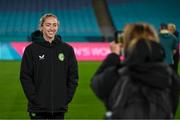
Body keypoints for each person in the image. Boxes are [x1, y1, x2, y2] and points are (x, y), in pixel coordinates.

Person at [91, 23, 180, 119]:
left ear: (127, 43)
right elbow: (171, 109)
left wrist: (114, 55)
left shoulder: (120, 74)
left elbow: (96, 83)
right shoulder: (171, 76)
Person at [20, 13, 78, 119]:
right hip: (37, 108)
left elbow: (73, 76)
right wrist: (34, 98)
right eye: (48, 25)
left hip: (59, 108)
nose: (52, 28)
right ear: (41, 27)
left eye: (54, 25)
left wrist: (66, 98)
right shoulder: (31, 50)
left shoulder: (67, 49)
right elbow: (25, 77)